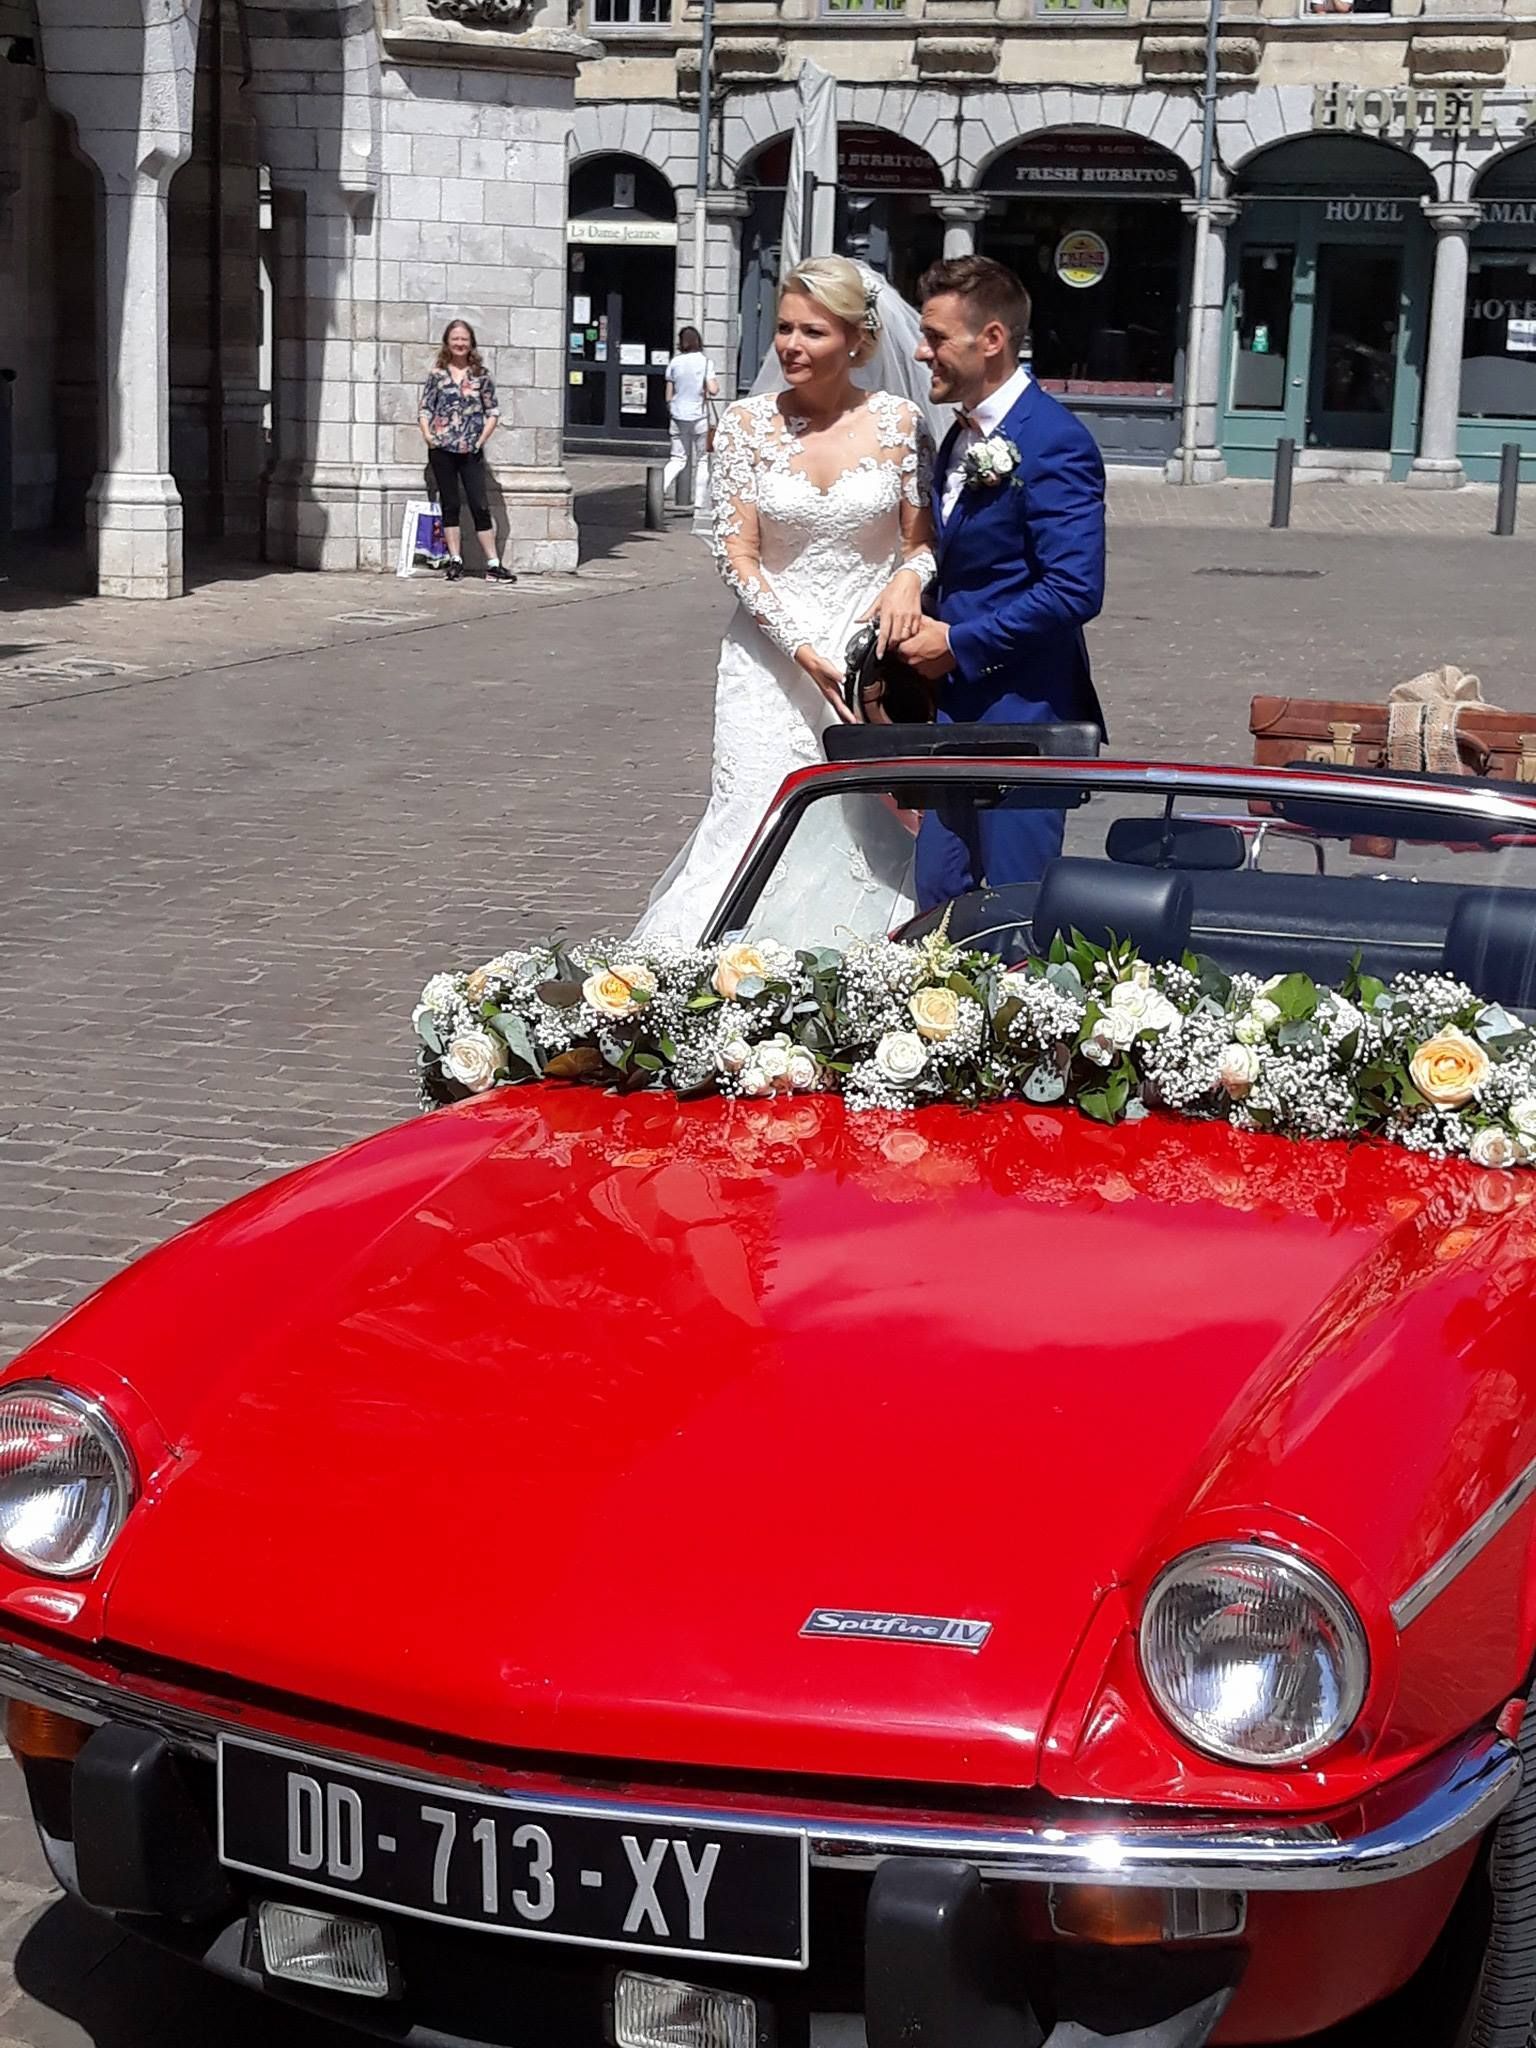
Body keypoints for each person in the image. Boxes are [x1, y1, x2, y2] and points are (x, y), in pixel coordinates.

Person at [634, 256, 936, 945]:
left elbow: (922, 543)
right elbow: (734, 552)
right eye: (785, 329)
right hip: (770, 656)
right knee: (753, 811)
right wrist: (801, 648)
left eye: (814, 332)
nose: (792, 346)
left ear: (857, 341)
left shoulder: (898, 423)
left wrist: (907, 579)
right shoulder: (745, 425)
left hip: (864, 659)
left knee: (862, 823)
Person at [892, 255, 1106, 908]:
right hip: (952, 714)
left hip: (1024, 716)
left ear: (991, 340)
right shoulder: (958, 437)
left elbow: (1075, 589)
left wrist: (958, 642)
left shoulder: (1052, 441)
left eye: (935, 337)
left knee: (1018, 906)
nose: (921, 351)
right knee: (938, 898)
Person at [417, 320, 516, 585]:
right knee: (450, 504)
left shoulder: (481, 376)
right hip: (442, 449)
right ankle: (455, 560)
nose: (459, 343)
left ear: (470, 343)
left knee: (479, 504)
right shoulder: (437, 375)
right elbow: (425, 408)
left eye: (464, 339)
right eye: (455, 339)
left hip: (470, 449)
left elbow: (493, 412)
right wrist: (428, 436)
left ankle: (493, 564)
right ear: (447, 342)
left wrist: (480, 439)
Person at [663, 326, 719, 501]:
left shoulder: (674, 362)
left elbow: (668, 394)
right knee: (702, 460)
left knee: (677, 459)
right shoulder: (705, 362)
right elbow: (713, 389)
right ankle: (700, 503)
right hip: (698, 415)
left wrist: (672, 408)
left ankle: (659, 490)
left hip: (678, 415)